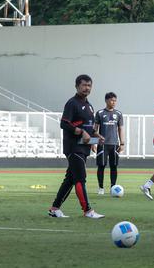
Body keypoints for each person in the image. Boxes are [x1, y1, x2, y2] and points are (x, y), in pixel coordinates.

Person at [48, 74, 104, 219]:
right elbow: (64, 123)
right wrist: (81, 132)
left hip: (83, 148)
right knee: (80, 178)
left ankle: (55, 209)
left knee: (70, 179)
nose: (87, 88)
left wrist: (96, 137)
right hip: (73, 147)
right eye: (84, 85)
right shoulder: (72, 103)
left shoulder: (90, 106)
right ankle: (88, 211)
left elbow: (89, 128)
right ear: (77, 86)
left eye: (89, 85)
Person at [95, 92, 124, 195]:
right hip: (102, 145)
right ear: (106, 100)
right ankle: (101, 188)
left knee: (114, 166)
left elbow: (120, 129)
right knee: (101, 166)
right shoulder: (100, 113)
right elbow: (95, 130)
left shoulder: (119, 114)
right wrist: (93, 143)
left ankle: (113, 187)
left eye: (115, 100)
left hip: (114, 144)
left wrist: (122, 143)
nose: (114, 102)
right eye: (112, 100)